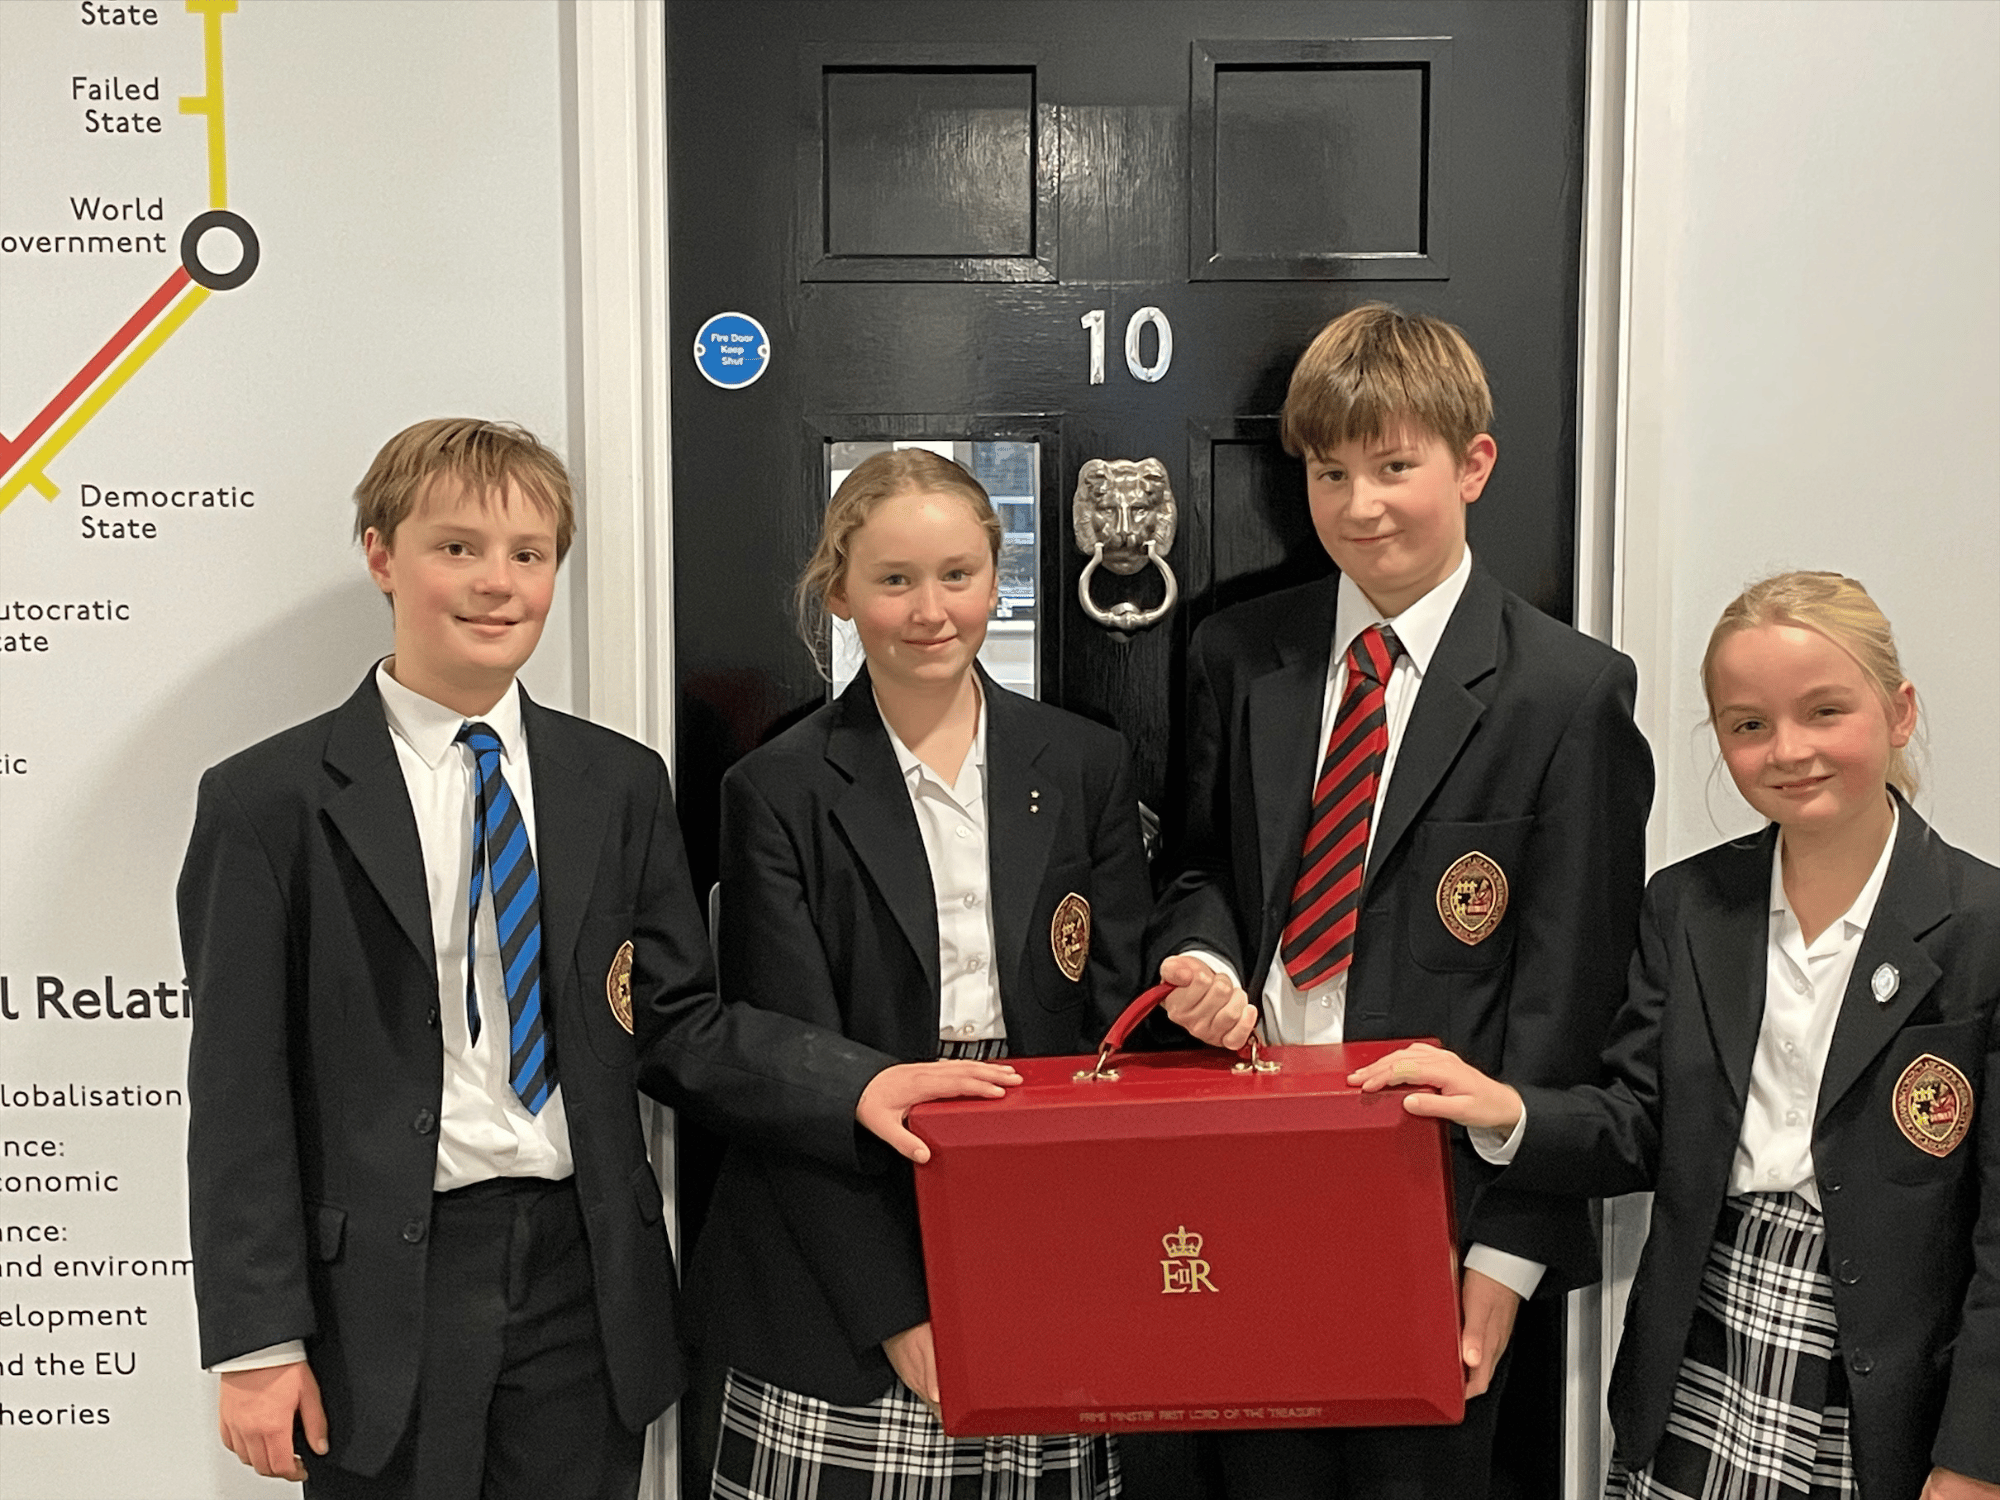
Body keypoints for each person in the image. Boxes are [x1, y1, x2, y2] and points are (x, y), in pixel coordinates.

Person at [178, 419, 1017, 1499]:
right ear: (383, 556)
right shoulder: (268, 802)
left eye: (528, 555)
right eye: (458, 549)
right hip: (386, 1296)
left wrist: (857, 1084)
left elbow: (675, 1022)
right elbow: (239, 1091)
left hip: (584, 1283)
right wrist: (257, 1347)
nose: (497, 583)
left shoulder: (615, 783)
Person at [1146, 303, 1654, 1498]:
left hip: (1439, 1205)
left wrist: (1509, 1254)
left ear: (1471, 464)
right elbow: (1204, 869)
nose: (1360, 504)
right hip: (1247, 1168)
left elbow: (1566, 998)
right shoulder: (1239, 653)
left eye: (1393, 466)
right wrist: (1204, 964)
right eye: (1331, 472)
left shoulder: (1566, 695)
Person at [1353, 571, 2000, 1500]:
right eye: (1748, 725)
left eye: (1824, 711)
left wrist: (1977, 1457)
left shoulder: (1981, 928)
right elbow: (1642, 1125)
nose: (1788, 751)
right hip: (1703, 1334)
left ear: (1899, 712)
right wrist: (1509, 1112)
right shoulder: (1690, 906)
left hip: (1885, 1387)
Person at [685, 448, 1149, 1498]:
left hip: (1042, 1232)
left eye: (957, 574)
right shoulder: (777, 788)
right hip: (835, 1241)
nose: (929, 609)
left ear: (999, 578)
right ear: (840, 591)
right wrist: (896, 1313)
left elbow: (1114, 1029)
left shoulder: (1081, 764)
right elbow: (792, 1071)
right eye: (893, 580)